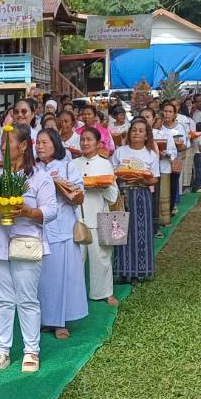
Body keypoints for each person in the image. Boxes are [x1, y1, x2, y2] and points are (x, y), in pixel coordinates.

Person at [0, 124, 57, 373]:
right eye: (0, 144)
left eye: (7, 144)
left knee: (26, 298)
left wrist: (27, 211)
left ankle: (31, 351)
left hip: (26, 243)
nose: (1, 148)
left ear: (24, 146)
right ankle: (1, 350)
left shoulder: (39, 177)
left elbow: (51, 210)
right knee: (2, 298)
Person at [36, 129, 88, 340]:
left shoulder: (67, 165)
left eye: (44, 142)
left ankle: (61, 322)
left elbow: (79, 194)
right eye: (38, 142)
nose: (40, 146)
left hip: (63, 227)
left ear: (55, 144)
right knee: (43, 278)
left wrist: (63, 188)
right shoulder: (33, 168)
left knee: (62, 276)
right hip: (40, 227)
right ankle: (45, 319)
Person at [76, 126, 119, 307]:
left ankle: (104, 292)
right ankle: (74, 294)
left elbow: (113, 196)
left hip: (98, 216)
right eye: (82, 139)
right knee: (76, 259)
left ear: (97, 143)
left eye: (89, 140)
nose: (85, 143)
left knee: (101, 257)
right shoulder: (72, 164)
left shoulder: (105, 164)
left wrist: (102, 187)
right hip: (77, 218)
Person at [112, 118, 159, 283]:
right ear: (129, 133)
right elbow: (112, 173)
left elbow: (155, 179)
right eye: (134, 130)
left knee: (141, 232)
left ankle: (140, 271)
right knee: (121, 232)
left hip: (141, 194)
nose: (136, 133)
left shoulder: (151, 154)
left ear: (147, 135)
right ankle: (123, 271)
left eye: (141, 131)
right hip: (122, 194)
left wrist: (142, 180)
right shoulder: (119, 151)